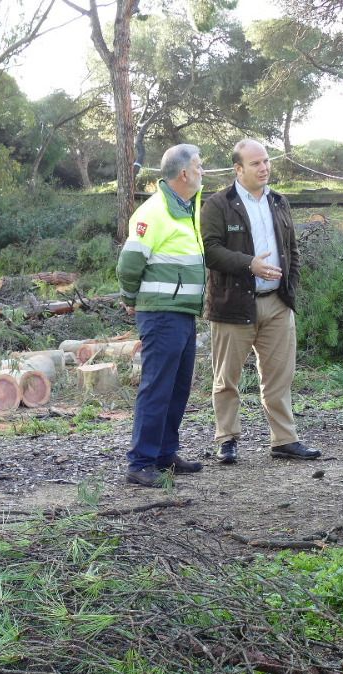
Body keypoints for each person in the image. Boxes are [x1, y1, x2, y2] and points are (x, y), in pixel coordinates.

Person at [200, 138, 320, 464]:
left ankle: (284, 440)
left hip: (276, 303)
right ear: (238, 169)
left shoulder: (279, 202)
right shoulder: (218, 204)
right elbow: (210, 251)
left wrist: (289, 287)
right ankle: (227, 439)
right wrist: (248, 263)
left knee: (280, 376)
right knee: (227, 378)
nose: (264, 167)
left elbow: (292, 250)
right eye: (255, 163)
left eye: (266, 161)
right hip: (234, 304)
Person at [116, 144, 208, 488]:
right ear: (183, 173)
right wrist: (130, 298)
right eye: (198, 167)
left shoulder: (186, 208)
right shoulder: (153, 212)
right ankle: (140, 462)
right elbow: (129, 264)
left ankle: (166, 453)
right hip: (161, 314)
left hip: (183, 313)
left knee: (178, 387)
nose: (202, 172)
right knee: (157, 388)